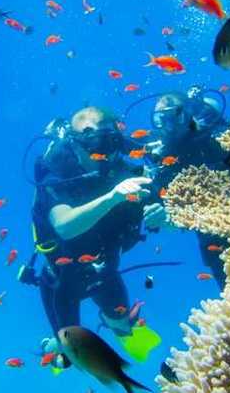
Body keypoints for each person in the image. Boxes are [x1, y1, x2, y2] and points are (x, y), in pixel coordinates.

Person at [27, 107, 165, 368]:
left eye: (109, 143)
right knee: (69, 353)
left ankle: (120, 335)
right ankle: (53, 346)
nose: (101, 155)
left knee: (122, 323)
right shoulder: (55, 169)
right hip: (61, 279)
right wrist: (113, 196)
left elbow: (165, 210)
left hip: (105, 269)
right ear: (75, 144)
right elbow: (64, 225)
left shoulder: (125, 169)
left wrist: (162, 216)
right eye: (92, 145)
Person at [144, 86, 230, 288]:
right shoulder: (158, 153)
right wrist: (163, 216)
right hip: (209, 234)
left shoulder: (210, 138)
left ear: (189, 113)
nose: (168, 126)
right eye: (161, 119)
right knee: (225, 274)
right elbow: (158, 205)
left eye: (174, 117)